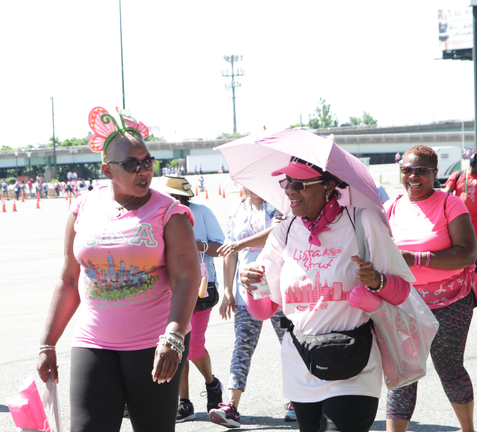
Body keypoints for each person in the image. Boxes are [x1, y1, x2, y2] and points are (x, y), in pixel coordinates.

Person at [36, 107, 200, 432]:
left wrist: (174, 336)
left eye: (147, 162)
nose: (143, 171)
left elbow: (187, 278)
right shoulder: (83, 207)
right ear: (108, 170)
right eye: (131, 164)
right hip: (94, 342)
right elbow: (69, 279)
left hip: (154, 345)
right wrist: (47, 343)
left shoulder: (169, 213)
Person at [238, 156, 416, 432]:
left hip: (354, 362)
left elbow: (403, 290)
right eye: (287, 182)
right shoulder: (283, 233)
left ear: (329, 185)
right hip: (300, 365)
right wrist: (251, 285)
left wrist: (378, 280)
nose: (289, 190)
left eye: (299, 183)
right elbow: (263, 310)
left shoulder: (362, 222)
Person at [384, 145, 477, 432]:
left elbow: (468, 253)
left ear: (435, 173)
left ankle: (468, 430)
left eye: (421, 170)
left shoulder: (449, 203)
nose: (413, 176)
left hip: (450, 301)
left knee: (450, 370)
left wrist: (416, 259)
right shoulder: (390, 207)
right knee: (404, 374)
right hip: (405, 302)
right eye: (407, 169)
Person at [212, 186, 294, 427]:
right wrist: (228, 291)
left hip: (275, 286)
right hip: (247, 290)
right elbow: (230, 251)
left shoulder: (277, 205)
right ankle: (231, 406)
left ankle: (298, 402)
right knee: (242, 346)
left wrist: (241, 244)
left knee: (290, 345)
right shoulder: (237, 210)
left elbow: (276, 232)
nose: (256, 187)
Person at [154, 175, 225, 423]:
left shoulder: (202, 213)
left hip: (201, 288)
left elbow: (220, 247)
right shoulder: (158, 214)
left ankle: (212, 384)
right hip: (169, 289)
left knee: (194, 346)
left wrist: (195, 244)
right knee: (177, 344)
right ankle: (184, 402)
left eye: (174, 198)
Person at [444, 153, 477, 294]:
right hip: (459, 221)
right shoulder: (458, 175)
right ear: (472, 163)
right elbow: (447, 194)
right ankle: (464, 283)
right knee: (460, 251)